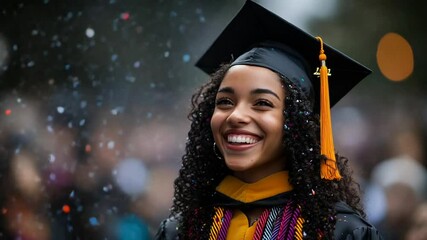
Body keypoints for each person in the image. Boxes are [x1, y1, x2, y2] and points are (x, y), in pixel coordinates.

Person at [155, 1, 383, 239]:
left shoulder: (338, 231)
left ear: (298, 123)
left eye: (262, 103)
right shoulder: (182, 231)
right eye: (224, 102)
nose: (236, 116)